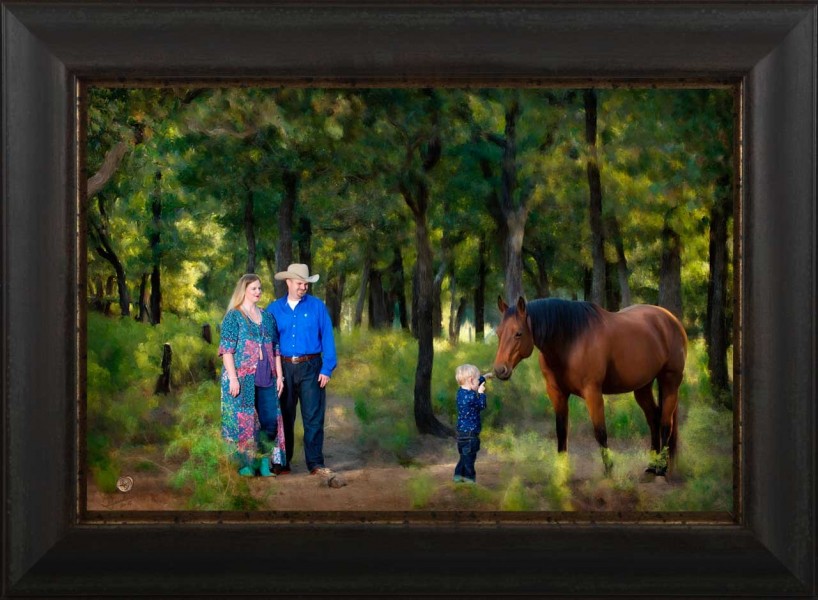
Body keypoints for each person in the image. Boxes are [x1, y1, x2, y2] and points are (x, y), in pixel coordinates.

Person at [267, 263, 337, 477]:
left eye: (306, 283)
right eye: (299, 283)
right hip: (284, 369)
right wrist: (273, 373)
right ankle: (282, 462)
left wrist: (327, 368)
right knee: (284, 417)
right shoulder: (273, 309)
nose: (303, 287)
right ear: (288, 282)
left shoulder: (317, 307)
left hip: (312, 367)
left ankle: (315, 463)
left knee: (313, 417)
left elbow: (328, 338)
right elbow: (268, 342)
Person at [218, 274, 286, 477]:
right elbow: (227, 350)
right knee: (245, 423)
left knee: (269, 421)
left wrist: (280, 377)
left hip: (267, 378)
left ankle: (264, 464)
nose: (258, 292)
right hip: (243, 379)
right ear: (244, 291)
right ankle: (246, 465)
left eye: (259, 288)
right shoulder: (233, 316)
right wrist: (233, 378)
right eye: (253, 288)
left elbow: (275, 349)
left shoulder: (267, 317)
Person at [453, 364, 488, 484]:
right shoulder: (472, 397)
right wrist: (482, 393)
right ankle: (469, 484)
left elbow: (473, 383)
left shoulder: (460, 393)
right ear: (471, 380)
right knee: (469, 462)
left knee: (464, 458)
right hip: (471, 435)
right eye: (478, 380)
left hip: (462, 434)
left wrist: (484, 377)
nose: (479, 382)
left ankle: (457, 479)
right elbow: (482, 405)